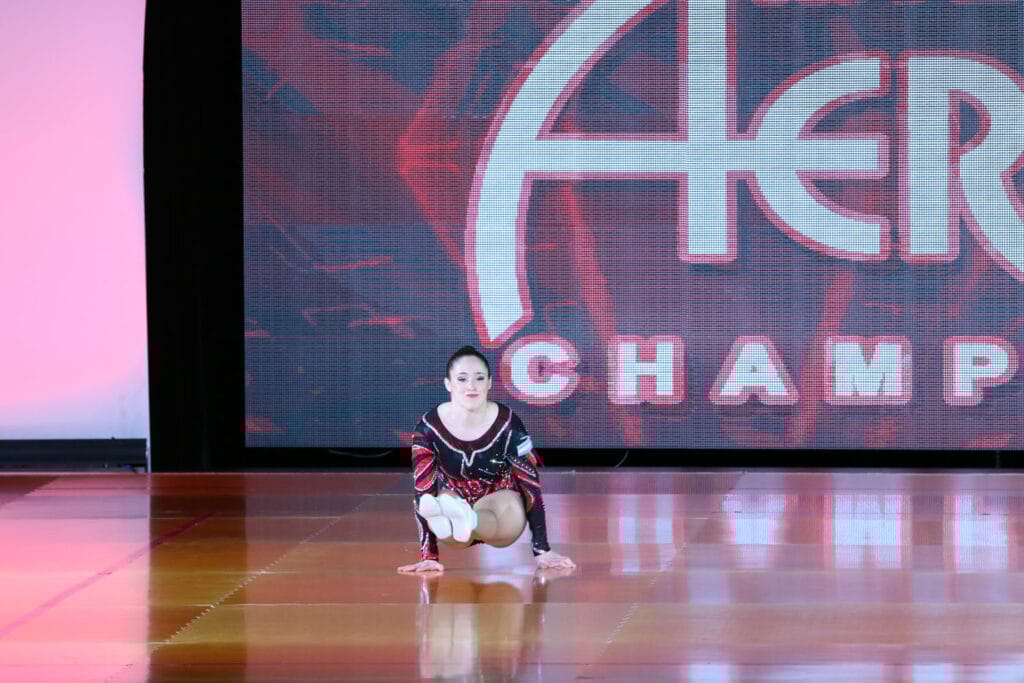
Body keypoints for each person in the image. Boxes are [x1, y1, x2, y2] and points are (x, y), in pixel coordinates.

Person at [398, 345, 576, 574]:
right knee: (441, 504)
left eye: (479, 378)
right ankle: (457, 518)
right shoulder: (428, 428)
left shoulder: (509, 424)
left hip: (500, 507)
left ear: (490, 383)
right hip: (454, 505)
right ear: (448, 384)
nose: (471, 386)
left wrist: (543, 550)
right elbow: (423, 491)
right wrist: (428, 556)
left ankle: (469, 519)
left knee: (504, 508)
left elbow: (530, 486)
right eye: (462, 379)